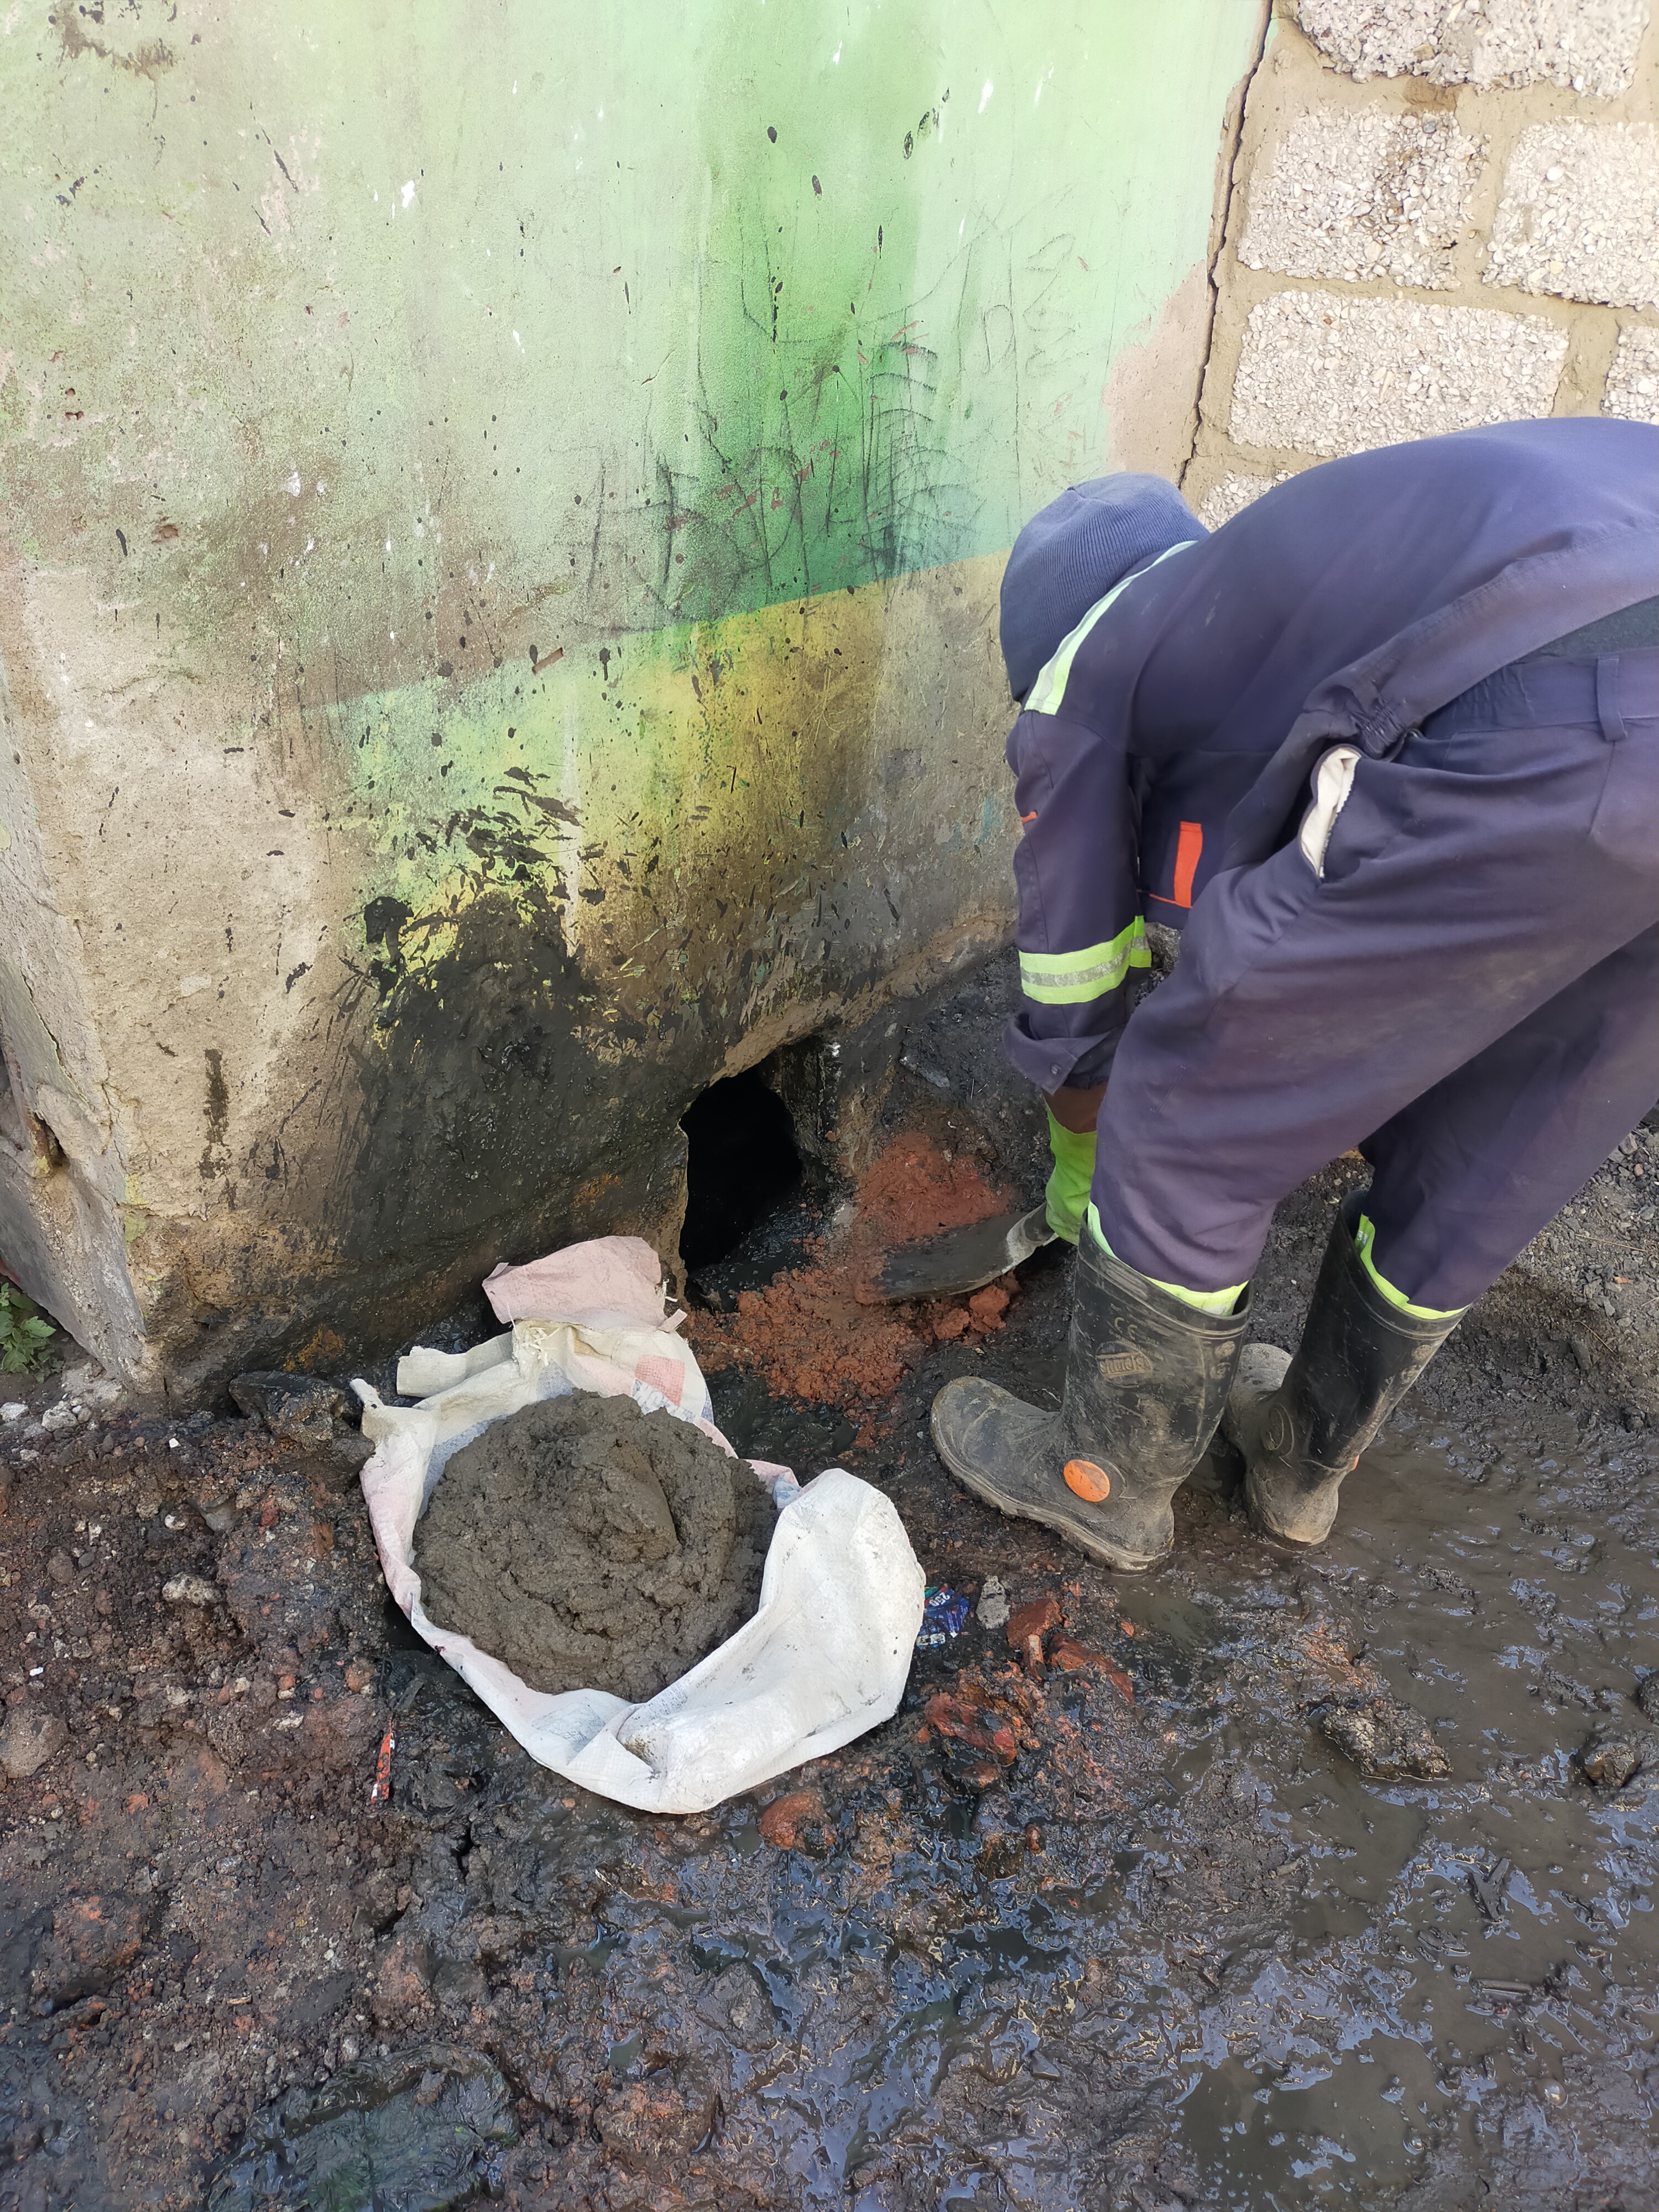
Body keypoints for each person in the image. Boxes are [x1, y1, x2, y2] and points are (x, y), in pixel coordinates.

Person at [931, 418, 1659, 1571]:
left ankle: (1104, 1478)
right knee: (1508, 1128)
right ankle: (1300, 1464)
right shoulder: (1263, 605)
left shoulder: (1088, 661)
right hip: (1607, 666)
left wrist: (1087, 1156)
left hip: (1575, 705)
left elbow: (1074, 975)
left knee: (1193, 1094)